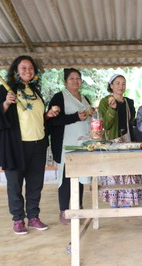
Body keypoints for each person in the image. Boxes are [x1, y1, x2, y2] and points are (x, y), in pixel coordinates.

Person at [0, 55, 59, 235]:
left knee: (36, 183)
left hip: (38, 143)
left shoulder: (35, 92)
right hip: (15, 145)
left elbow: (36, 119)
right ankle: (18, 219)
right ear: (16, 71)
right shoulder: (6, 90)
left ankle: (33, 216)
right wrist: (5, 103)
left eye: (31, 68)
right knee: (15, 184)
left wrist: (49, 114)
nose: (28, 71)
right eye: (23, 68)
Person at [48, 68, 93, 225]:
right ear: (65, 82)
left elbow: (87, 118)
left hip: (82, 144)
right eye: (72, 78)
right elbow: (53, 121)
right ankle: (64, 211)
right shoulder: (59, 97)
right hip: (66, 145)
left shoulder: (85, 97)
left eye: (78, 78)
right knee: (66, 178)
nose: (76, 81)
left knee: (80, 177)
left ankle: (78, 207)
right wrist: (75, 117)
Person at [97, 74, 142, 207]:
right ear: (111, 86)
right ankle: (115, 201)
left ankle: (127, 201)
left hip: (128, 140)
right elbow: (105, 124)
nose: (120, 86)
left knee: (128, 169)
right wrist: (112, 109)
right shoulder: (105, 102)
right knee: (114, 171)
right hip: (113, 141)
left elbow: (131, 120)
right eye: (117, 83)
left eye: (123, 83)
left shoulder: (129, 102)